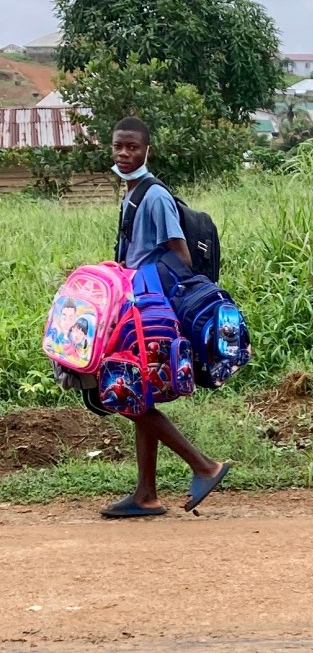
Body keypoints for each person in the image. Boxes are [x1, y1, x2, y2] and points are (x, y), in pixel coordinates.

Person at [84, 116, 230, 519]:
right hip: (133, 306)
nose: (124, 154)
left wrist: (156, 300)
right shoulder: (132, 194)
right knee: (139, 394)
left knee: (126, 394)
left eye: (132, 147)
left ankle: (204, 466)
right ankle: (146, 493)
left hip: (148, 313)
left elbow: (181, 256)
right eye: (118, 146)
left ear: (147, 150)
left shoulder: (155, 196)